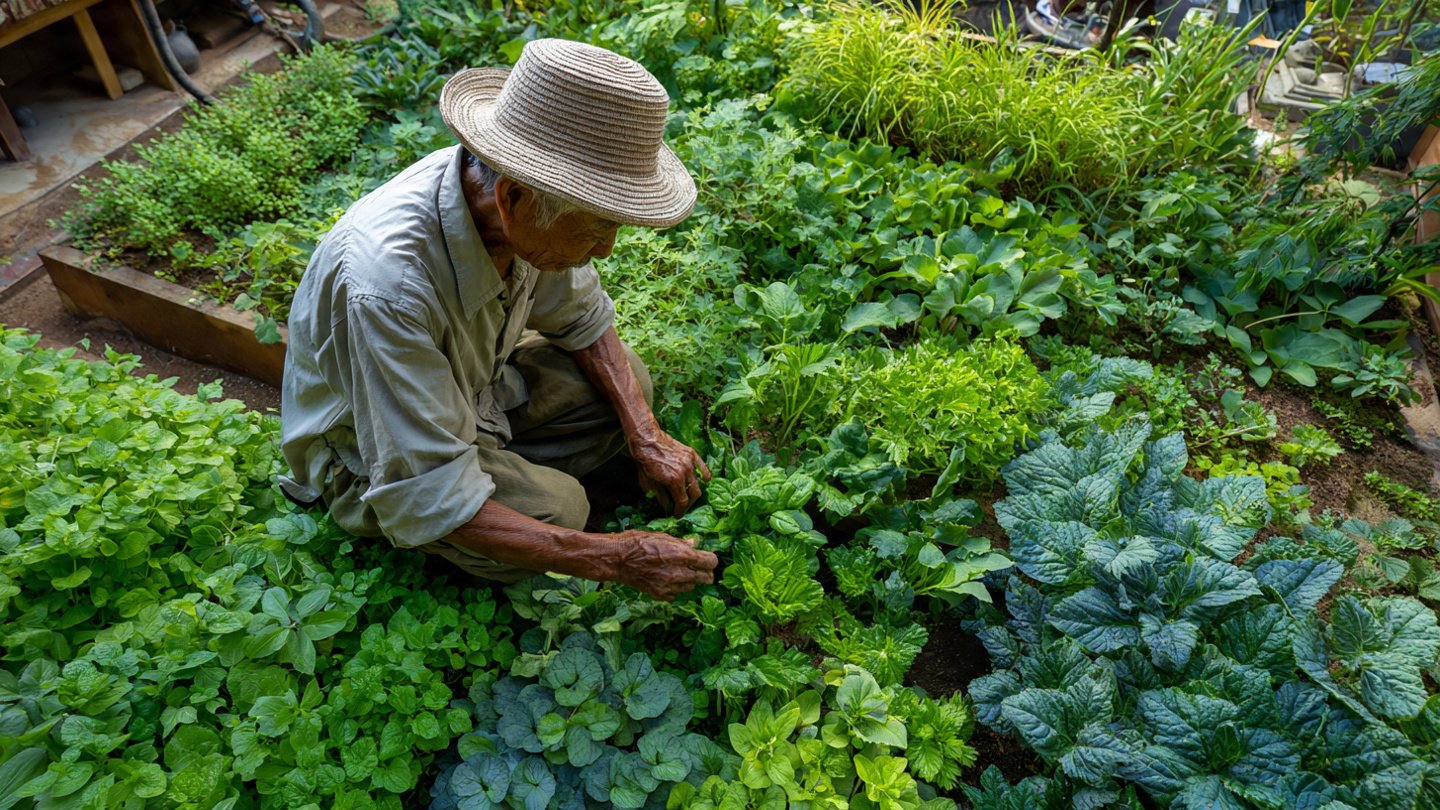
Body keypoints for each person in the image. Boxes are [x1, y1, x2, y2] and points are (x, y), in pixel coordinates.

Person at [278, 39, 718, 602]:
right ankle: (496, 507)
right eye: (596, 228)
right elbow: (425, 492)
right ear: (512, 196)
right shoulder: (388, 286)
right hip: (365, 454)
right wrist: (618, 557)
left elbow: (582, 318)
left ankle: (499, 482)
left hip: (476, 391)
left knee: (628, 381)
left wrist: (647, 436)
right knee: (563, 508)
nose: (605, 250)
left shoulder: (518, 205)